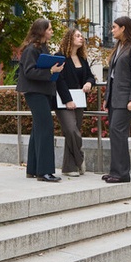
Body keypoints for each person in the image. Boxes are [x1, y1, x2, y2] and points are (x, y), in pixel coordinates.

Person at [16, 18, 64, 182]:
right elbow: (29, 72)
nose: (51, 31)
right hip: (34, 92)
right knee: (45, 127)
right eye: (49, 29)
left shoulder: (42, 47)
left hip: (42, 91)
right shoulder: (31, 49)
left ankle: (33, 169)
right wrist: (51, 71)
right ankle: (44, 172)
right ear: (41, 31)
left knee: (38, 129)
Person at [102, 16, 131, 183]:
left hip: (126, 99)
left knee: (118, 132)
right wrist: (107, 98)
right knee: (114, 133)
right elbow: (111, 77)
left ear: (123, 28)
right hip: (114, 98)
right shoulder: (118, 47)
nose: (111, 30)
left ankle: (122, 174)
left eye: (114, 27)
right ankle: (115, 171)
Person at [55, 28, 95, 177]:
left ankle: (69, 168)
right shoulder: (59, 56)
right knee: (71, 130)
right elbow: (59, 80)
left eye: (81, 36)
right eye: (77, 36)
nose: (81, 38)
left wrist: (89, 84)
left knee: (72, 134)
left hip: (79, 100)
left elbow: (90, 77)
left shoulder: (82, 58)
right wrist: (68, 100)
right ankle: (80, 158)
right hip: (63, 101)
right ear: (69, 38)